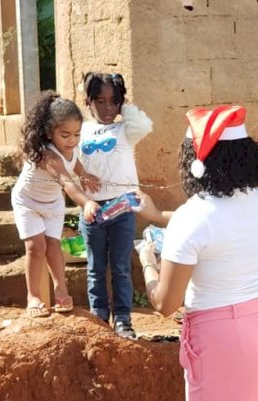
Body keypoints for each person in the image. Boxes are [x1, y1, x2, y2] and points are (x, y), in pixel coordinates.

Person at [137, 105, 258, 401]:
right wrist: (158, 217)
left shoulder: (191, 217)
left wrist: (146, 262)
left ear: (193, 162)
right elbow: (219, 225)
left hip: (223, 341)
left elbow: (166, 303)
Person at [12, 91, 101, 318]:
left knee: (54, 246)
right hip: (28, 203)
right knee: (36, 247)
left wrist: (85, 174)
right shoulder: (46, 155)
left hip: (52, 204)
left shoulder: (71, 149)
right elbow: (66, 183)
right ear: (49, 132)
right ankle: (33, 296)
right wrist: (86, 202)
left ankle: (61, 289)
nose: (72, 141)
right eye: (65, 135)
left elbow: (75, 164)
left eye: (76, 135)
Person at [78, 72, 153, 338]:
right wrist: (85, 200)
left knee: (120, 267)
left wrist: (126, 104)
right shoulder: (81, 131)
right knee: (96, 268)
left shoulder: (125, 130)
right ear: (88, 101)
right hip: (92, 209)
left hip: (122, 208)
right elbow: (71, 168)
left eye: (114, 101)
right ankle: (99, 317)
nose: (108, 108)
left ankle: (123, 319)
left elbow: (145, 125)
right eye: (100, 101)